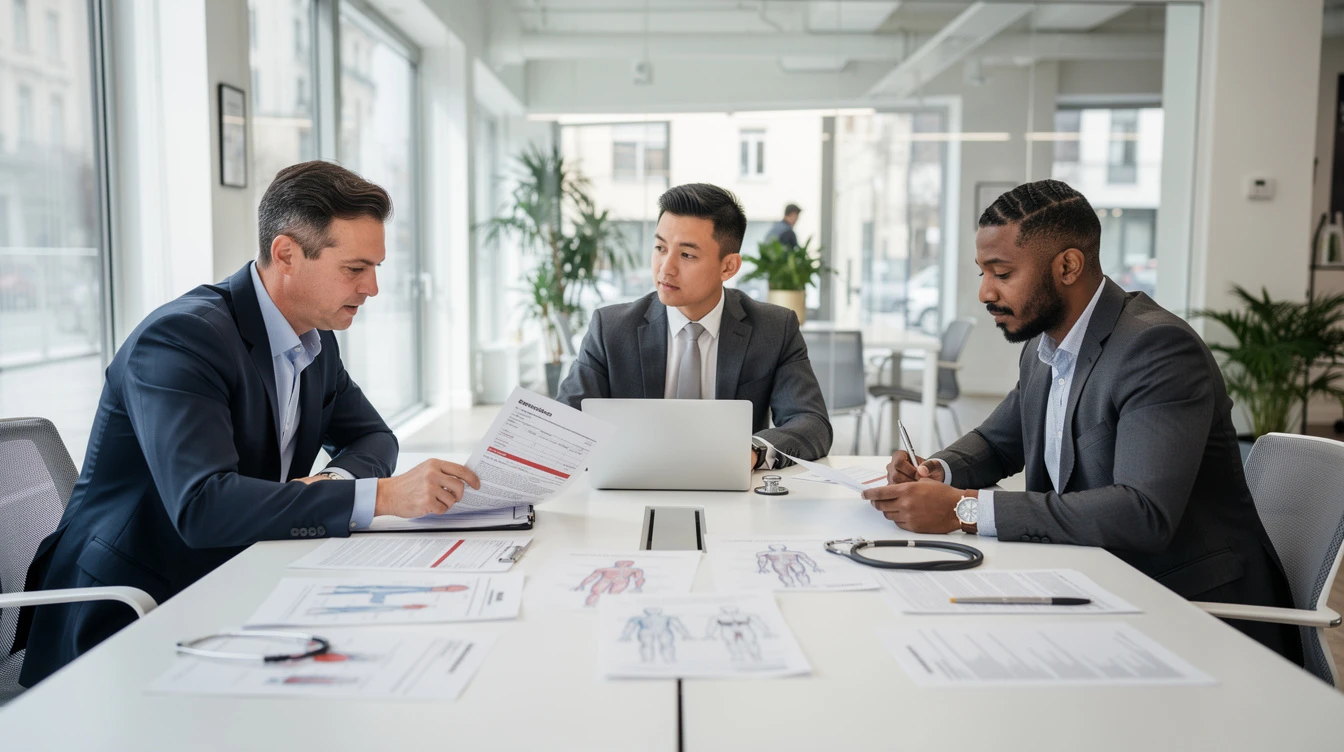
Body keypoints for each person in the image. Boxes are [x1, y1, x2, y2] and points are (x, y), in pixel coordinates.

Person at [16, 161, 482, 686]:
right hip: (131, 610)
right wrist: (380, 496)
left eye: (375, 267)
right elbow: (203, 506)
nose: (372, 287)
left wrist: (330, 484)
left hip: (236, 576)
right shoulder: (180, 340)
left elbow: (373, 436)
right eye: (355, 268)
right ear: (286, 254)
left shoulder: (315, 338)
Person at [861, 179, 1302, 665]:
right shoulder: (1044, 346)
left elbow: (1143, 513)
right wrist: (935, 472)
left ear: (1067, 266)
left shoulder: (1157, 349)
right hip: (1097, 583)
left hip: (1194, 614)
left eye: (1002, 272)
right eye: (982, 271)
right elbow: (998, 441)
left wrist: (962, 510)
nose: (985, 291)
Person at [555, 183, 831, 469]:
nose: (665, 268)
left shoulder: (774, 328)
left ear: (729, 267)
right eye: (660, 248)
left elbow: (812, 423)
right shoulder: (611, 328)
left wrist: (750, 451)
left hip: (734, 495)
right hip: (629, 492)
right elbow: (564, 425)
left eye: (686, 255)